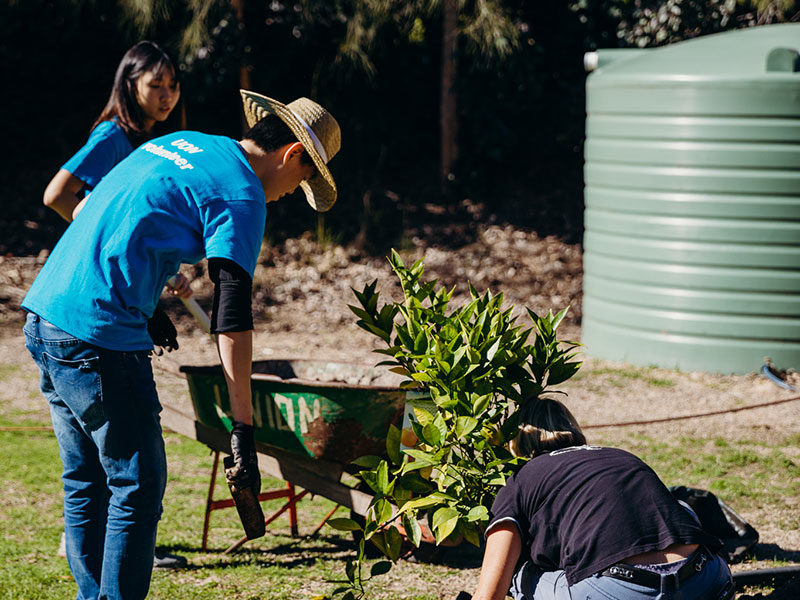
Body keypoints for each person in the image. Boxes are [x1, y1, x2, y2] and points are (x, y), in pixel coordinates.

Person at [22, 90, 340, 600]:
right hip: (98, 337)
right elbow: (231, 315)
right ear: (293, 155)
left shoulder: (184, 143)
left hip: (47, 316)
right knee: (137, 486)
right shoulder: (243, 194)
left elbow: (105, 211)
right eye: (302, 180)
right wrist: (243, 429)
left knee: (86, 481)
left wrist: (148, 303)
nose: (288, 195)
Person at [472, 398, 734, 600]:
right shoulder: (620, 456)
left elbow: (489, 594)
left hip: (617, 590)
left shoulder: (521, 478)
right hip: (705, 580)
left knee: (516, 572)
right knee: (680, 507)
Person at [43, 40, 181, 222]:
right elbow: (56, 195)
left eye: (173, 86)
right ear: (130, 85)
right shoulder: (113, 135)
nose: (167, 96)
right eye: (155, 85)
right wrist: (106, 238)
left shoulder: (161, 137)